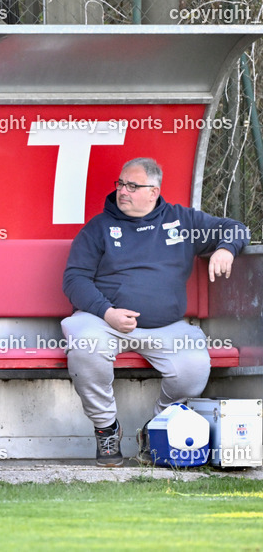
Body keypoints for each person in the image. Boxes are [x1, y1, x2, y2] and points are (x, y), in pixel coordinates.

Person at [62, 157, 248, 466]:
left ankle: (157, 428)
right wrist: (107, 312)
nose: (123, 191)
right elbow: (74, 280)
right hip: (104, 321)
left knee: (194, 368)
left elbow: (236, 229)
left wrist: (226, 249)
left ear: (154, 191)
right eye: (121, 184)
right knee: (84, 346)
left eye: (133, 186)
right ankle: (107, 428)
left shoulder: (182, 221)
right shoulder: (99, 227)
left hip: (166, 326)